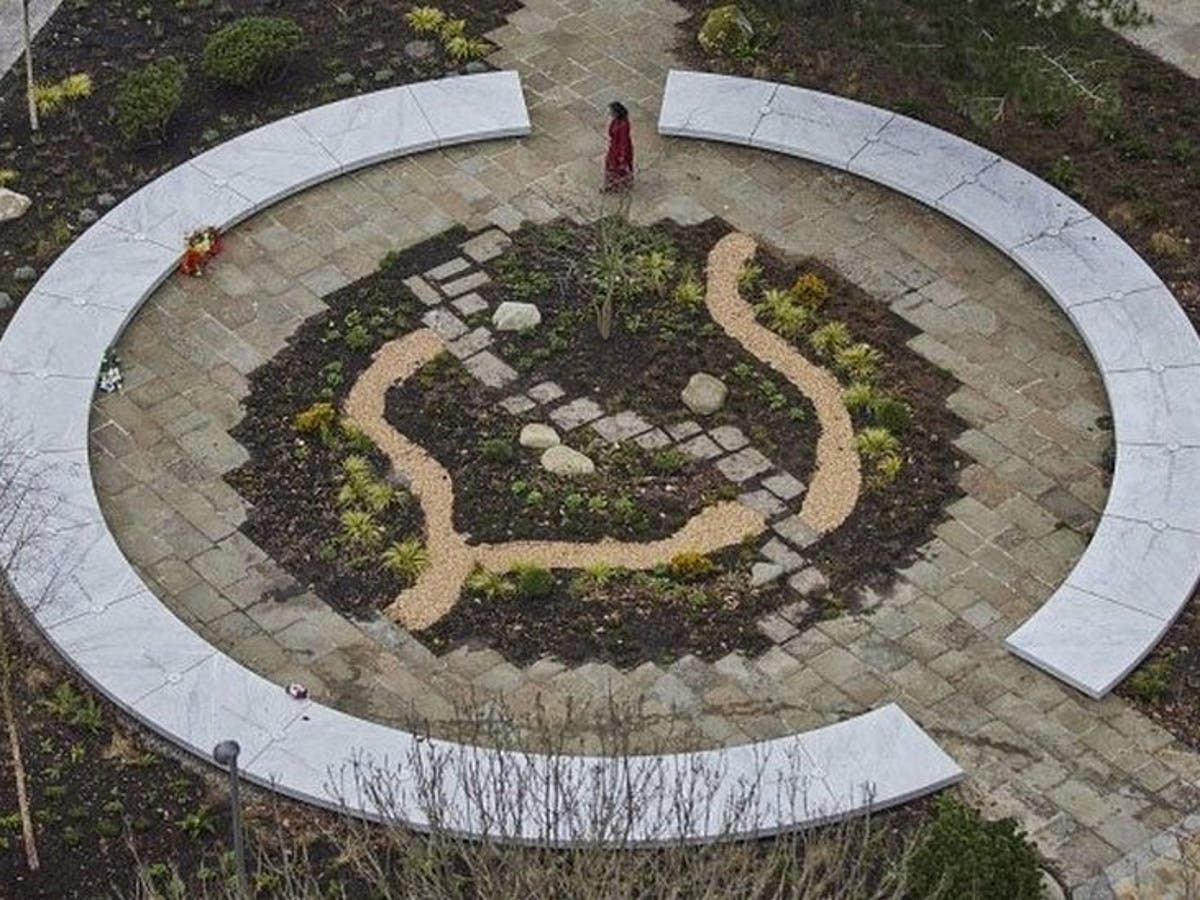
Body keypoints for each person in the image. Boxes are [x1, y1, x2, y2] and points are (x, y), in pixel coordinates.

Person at [604, 101, 634, 192]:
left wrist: (622, 156)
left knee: (618, 167)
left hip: (619, 149)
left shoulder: (623, 125)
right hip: (614, 147)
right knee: (610, 164)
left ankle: (619, 186)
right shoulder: (616, 121)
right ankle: (612, 184)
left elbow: (623, 142)